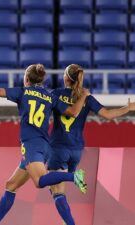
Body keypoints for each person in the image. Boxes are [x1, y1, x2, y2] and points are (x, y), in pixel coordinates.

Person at [0, 64, 90, 225]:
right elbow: (73, 112)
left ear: (27, 79)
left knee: (39, 181)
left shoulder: (22, 92)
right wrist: (83, 97)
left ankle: (73, 176)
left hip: (32, 144)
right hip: (44, 145)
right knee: (11, 185)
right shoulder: (49, 96)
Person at [48, 64, 135, 225]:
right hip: (76, 150)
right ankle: (65, 220)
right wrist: (127, 108)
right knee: (59, 189)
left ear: (66, 77)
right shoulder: (87, 97)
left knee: (55, 189)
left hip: (58, 146)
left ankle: (69, 220)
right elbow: (108, 115)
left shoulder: (56, 94)